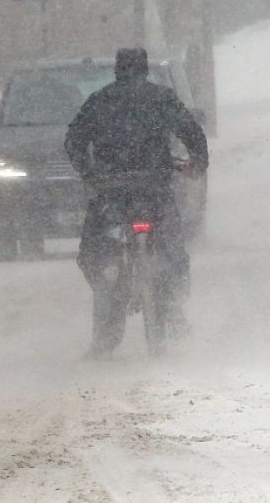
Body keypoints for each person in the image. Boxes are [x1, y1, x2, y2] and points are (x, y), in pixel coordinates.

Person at [65, 48, 209, 355]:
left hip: (112, 191)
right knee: (173, 250)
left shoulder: (100, 100)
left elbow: (74, 140)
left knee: (95, 253)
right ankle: (172, 310)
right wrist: (198, 162)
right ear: (144, 70)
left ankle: (106, 331)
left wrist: (89, 173)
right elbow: (191, 131)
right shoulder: (161, 98)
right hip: (153, 186)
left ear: (117, 70)